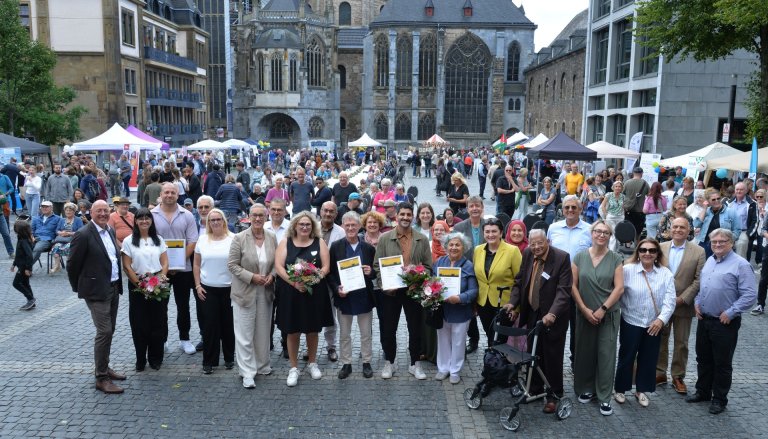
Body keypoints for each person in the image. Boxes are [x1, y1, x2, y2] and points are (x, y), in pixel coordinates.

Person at [686, 229, 756, 414]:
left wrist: (731, 312)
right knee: (703, 358)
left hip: (724, 322)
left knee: (722, 363)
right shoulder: (710, 260)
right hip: (704, 319)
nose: (717, 244)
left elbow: (750, 295)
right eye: (714, 241)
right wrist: (697, 302)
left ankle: (719, 399)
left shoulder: (741, 264)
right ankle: (703, 391)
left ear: (731, 243)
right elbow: (703, 286)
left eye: (722, 241)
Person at [504, 228, 572, 413]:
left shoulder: (561, 258)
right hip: (533, 312)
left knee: (552, 356)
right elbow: (519, 281)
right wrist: (512, 303)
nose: (536, 247)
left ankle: (554, 395)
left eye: (540, 243)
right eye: (532, 243)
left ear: (547, 241)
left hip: (553, 316)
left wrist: (552, 313)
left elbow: (564, 290)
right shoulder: (527, 253)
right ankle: (534, 389)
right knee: (532, 352)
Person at [67, 200, 126, 394]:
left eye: (105, 210)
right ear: (90, 212)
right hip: (95, 291)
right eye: (98, 211)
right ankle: (101, 377)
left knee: (111, 329)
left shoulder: (109, 230)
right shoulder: (83, 234)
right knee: (104, 332)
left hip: (112, 287)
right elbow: (72, 264)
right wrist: (81, 288)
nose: (102, 213)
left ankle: (104, 366)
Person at [614, 238, 676, 408]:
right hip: (630, 321)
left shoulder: (666, 273)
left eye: (652, 250)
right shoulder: (627, 270)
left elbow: (670, 301)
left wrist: (661, 320)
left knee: (648, 358)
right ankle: (620, 388)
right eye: (643, 250)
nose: (647, 253)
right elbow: (617, 293)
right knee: (626, 357)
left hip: (653, 324)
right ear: (638, 252)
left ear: (657, 254)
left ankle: (641, 390)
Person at [373, 202, 433, 380]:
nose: (405, 217)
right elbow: (377, 265)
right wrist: (384, 284)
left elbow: (428, 266)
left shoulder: (421, 239)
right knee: (388, 328)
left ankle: (415, 363)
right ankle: (390, 362)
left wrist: (419, 280)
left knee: (415, 328)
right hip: (391, 292)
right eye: (403, 214)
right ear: (396, 216)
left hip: (413, 290)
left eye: (409, 214)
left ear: (412, 216)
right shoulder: (385, 238)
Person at [571, 220, 624, 416]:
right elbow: (572, 286)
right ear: (591, 234)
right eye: (598, 231)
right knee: (585, 352)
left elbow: (619, 288)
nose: (601, 235)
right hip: (584, 313)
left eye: (605, 232)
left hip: (607, 315)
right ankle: (586, 388)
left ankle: (604, 396)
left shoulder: (616, 259)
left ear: (610, 236)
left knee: (606, 355)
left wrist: (602, 309)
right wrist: (584, 309)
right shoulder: (579, 257)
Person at [275, 212, 333, 387]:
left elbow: (326, 267)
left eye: (308, 224)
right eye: (301, 224)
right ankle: (294, 367)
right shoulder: (286, 242)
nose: (305, 227)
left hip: (314, 292)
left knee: (312, 329)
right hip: (291, 292)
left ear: (313, 226)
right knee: (292, 331)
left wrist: (312, 280)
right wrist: (294, 283)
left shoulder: (319, 242)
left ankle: (312, 363)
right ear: (295, 225)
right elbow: (278, 266)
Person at [227, 204, 277, 388]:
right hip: (245, 291)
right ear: (248, 216)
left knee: (263, 331)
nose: (257, 219)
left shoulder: (271, 237)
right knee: (244, 333)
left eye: (261, 215)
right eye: (254, 215)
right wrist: (252, 277)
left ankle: (263, 365)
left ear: (266, 217)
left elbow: (276, 262)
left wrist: (272, 275)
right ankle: (247, 371)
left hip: (266, 290)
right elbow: (232, 265)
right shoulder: (239, 238)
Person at [657, 217, 706, 393]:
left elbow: (699, 279)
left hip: (684, 305)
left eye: (682, 227)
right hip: (663, 303)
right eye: (675, 227)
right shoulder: (661, 248)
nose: (678, 230)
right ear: (670, 229)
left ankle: (678, 376)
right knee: (660, 338)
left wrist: (683, 298)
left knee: (681, 342)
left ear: (688, 230)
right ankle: (659, 372)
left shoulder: (699, 251)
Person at [151, 183, 201, 355]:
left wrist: (179, 261)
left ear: (178, 194)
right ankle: (162, 340)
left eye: (173, 192)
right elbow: (150, 242)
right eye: (166, 192)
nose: (170, 195)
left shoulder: (187, 215)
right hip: (159, 269)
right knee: (160, 306)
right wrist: (166, 265)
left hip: (183, 269)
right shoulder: (151, 215)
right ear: (161, 194)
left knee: (183, 305)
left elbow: (193, 241)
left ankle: (184, 339)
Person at [328, 212, 376, 379]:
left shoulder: (368, 248)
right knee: (344, 333)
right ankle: (346, 363)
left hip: (363, 296)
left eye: (353, 225)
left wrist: (371, 272)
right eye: (347, 225)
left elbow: (375, 272)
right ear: (343, 226)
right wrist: (337, 289)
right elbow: (331, 274)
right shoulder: (336, 247)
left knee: (365, 333)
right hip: (344, 295)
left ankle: (367, 362)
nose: (350, 228)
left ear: (359, 227)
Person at [120, 208, 169, 371]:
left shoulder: (159, 239)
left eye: (147, 218)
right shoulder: (128, 241)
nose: (144, 221)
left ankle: (156, 358)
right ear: (135, 221)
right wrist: (141, 285)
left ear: (151, 221)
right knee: (139, 324)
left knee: (158, 323)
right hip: (138, 285)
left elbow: (165, 262)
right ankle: (140, 358)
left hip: (157, 284)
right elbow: (127, 266)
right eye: (140, 218)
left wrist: (160, 279)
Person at [193, 208, 235, 374]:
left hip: (229, 289)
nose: (216, 222)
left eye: (218, 219)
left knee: (228, 326)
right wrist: (197, 285)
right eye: (212, 220)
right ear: (208, 222)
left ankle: (229, 358)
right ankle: (209, 361)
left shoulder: (233, 239)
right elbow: (196, 264)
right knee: (210, 326)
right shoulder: (202, 240)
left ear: (224, 220)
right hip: (207, 289)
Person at [433, 232, 478, 384]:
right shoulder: (440, 262)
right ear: (446, 246)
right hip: (443, 310)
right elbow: (432, 282)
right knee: (443, 340)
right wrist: (432, 292)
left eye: (457, 245)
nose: (453, 247)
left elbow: (473, 290)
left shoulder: (468, 265)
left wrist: (460, 298)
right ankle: (443, 368)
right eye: (451, 244)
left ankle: (455, 370)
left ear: (463, 247)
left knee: (458, 342)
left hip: (461, 311)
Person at [473, 218, 522, 347]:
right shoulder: (478, 250)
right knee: (490, 334)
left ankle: (495, 363)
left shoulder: (512, 251)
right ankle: (493, 361)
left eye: (494, 231)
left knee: (499, 337)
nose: (490, 235)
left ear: (501, 233)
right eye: (487, 232)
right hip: (483, 302)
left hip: (505, 303)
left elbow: (520, 280)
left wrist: (516, 307)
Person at [694, 188, 740, 258]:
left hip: (722, 245)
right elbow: (696, 224)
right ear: (708, 201)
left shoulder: (731, 212)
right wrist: (704, 209)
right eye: (713, 199)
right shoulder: (706, 211)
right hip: (706, 244)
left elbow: (737, 230)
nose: (717, 201)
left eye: (718, 198)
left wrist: (728, 241)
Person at [50, 202, 84, 273]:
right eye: (67, 210)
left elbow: (81, 231)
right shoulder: (62, 220)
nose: (68, 212)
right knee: (56, 247)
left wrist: (69, 233)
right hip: (62, 239)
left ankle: (70, 266)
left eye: (70, 210)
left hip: (73, 240)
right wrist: (61, 233)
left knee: (69, 247)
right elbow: (57, 230)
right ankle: (57, 266)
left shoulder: (78, 220)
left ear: (74, 211)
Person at [727, 182, 756, 259]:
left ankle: (740, 268)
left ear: (746, 191)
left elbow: (755, 221)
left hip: (743, 231)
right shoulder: (728, 202)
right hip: (728, 230)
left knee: (741, 245)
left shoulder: (752, 204)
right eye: (737, 189)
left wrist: (748, 234)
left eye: (741, 190)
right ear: (734, 190)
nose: (739, 191)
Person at [12, 220, 35, 310]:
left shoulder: (24, 241)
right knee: (25, 283)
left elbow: (29, 256)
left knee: (16, 283)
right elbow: (18, 254)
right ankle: (31, 302)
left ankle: (31, 299)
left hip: (23, 267)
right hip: (21, 266)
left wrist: (27, 268)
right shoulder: (21, 238)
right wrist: (14, 264)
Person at [31, 200, 62, 266]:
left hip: (47, 240)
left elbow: (58, 231)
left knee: (37, 248)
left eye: (46, 207)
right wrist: (31, 237)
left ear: (51, 208)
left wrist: (56, 242)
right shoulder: (36, 218)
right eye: (42, 207)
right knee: (22, 247)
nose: (44, 208)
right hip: (34, 239)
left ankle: (26, 268)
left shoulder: (58, 218)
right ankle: (24, 268)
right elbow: (31, 230)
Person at [600, 180, 625, 251]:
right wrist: (606, 215)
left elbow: (623, 207)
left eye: (619, 186)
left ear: (621, 188)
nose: (617, 188)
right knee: (613, 233)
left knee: (617, 234)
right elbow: (603, 206)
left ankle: (614, 249)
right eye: (616, 186)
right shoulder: (609, 195)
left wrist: (623, 215)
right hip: (610, 217)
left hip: (620, 217)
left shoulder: (623, 196)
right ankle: (612, 251)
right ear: (613, 187)